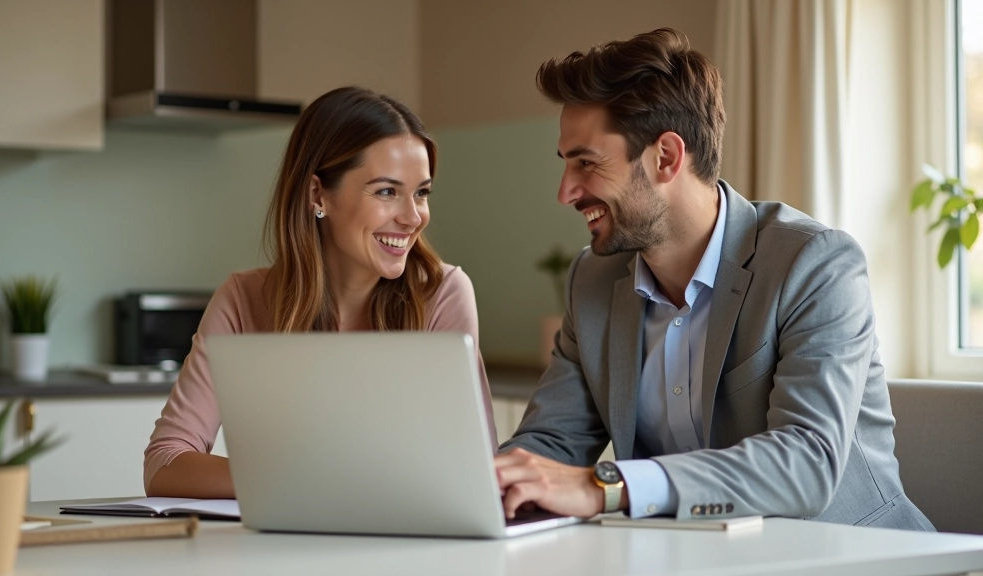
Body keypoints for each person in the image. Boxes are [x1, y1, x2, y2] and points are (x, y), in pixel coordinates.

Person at [494, 28, 934, 531]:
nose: (566, 191)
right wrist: (499, 481)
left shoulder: (814, 264)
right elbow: (553, 442)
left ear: (666, 157)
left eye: (587, 163)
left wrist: (608, 487)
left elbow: (806, 463)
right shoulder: (591, 280)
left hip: (856, 554)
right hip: (691, 558)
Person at [145, 87, 495, 498]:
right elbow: (164, 463)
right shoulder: (243, 299)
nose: (412, 217)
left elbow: (475, 467)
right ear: (317, 194)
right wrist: (303, 481)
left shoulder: (442, 294)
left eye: (421, 192)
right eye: (386, 191)